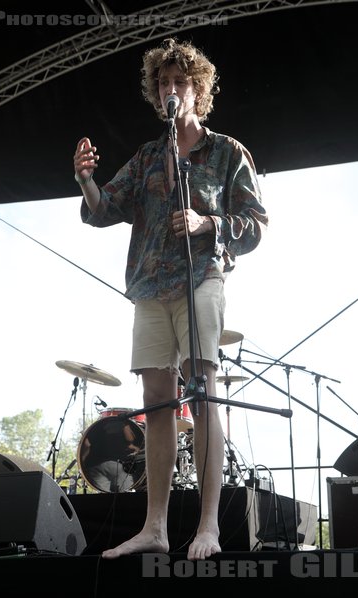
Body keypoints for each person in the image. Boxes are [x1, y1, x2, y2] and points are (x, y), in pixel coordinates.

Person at [73, 38, 268, 560]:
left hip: (202, 278)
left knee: (203, 391)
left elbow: (255, 227)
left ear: (198, 91)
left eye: (180, 82)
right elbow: (101, 209)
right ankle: (154, 527)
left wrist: (209, 223)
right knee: (157, 402)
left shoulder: (226, 152)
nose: (171, 90)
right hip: (149, 287)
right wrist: (86, 180)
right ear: (156, 95)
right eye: (164, 84)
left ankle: (208, 526)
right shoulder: (147, 158)